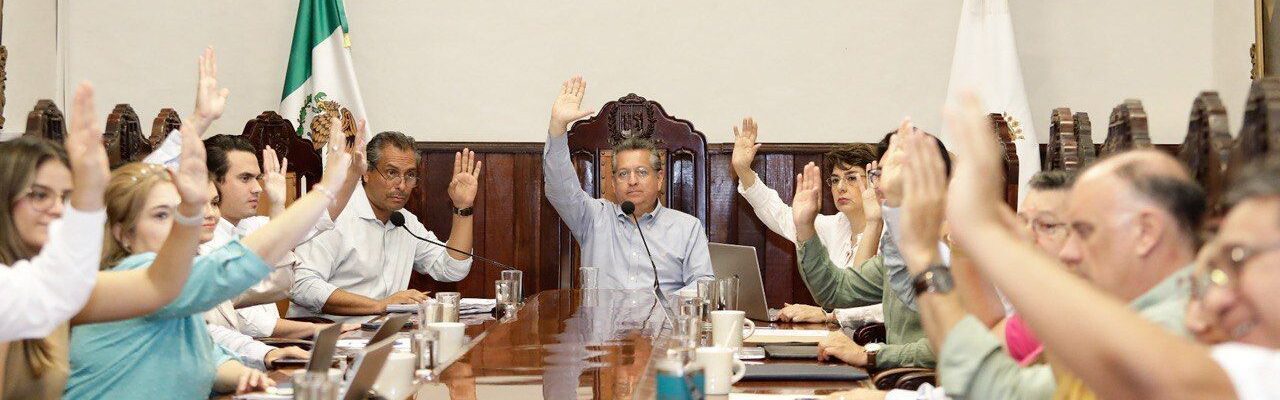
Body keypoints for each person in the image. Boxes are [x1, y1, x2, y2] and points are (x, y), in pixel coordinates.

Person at [64, 49, 354, 398]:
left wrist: (249, 374)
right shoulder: (133, 277)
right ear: (123, 235)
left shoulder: (175, 284)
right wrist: (324, 190)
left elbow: (209, 354)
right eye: (162, 215)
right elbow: (233, 268)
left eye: (186, 209)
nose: (185, 223)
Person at [936, 92, 1261, 400]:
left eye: (1083, 231)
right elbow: (1011, 389)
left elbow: (996, 385)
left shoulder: (1175, 324)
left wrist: (961, 242)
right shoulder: (1126, 311)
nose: (1070, 252)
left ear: (1146, 232)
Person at [541, 76, 713, 293]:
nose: (632, 181)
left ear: (659, 178)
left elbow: (703, 285)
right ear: (613, 183)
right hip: (603, 316)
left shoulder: (687, 228)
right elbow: (560, 188)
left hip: (664, 315)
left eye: (642, 172)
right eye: (623, 174)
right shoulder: (593, 218)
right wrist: (557, 128)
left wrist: (658, 306)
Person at [291, 131, 479, 321]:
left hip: (383, 333)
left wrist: (463, 206)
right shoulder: (334, 215)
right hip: (326, 332)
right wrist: (379, 305)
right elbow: (301, 285)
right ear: (366, 173)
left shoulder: (405, 222)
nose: (402, 185)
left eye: (410, 175)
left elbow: (452, 269)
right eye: (391, 173)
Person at [730, 117, 885, 325]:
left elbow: (892, 307)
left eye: (851, 178)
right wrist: (743, 170)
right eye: (835, 180)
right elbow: (780, 215)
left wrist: (828, 315)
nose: (840, 187)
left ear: (874, 179)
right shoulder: (835, 225)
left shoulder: (893, 232)